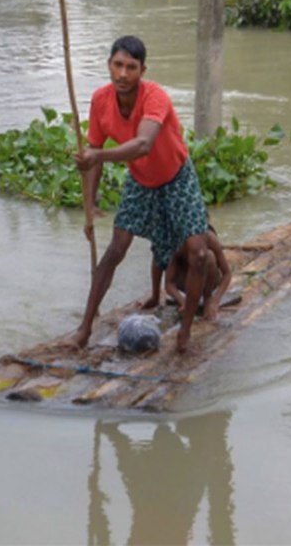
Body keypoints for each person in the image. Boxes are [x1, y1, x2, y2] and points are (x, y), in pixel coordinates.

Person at [73, 35, 212, 352]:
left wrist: (99, 157)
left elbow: (142, 144)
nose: (123, 74)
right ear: (109, 65)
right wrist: (90, 201)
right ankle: (83, 330)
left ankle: (185, 334)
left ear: (142, 70)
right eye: (118, 65)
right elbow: (94, 148)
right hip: (141, 179)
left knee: (200, 253)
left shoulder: (155, 96)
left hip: (177, 176)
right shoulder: (100, 100)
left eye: (131, 68)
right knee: (114, 251)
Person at [141, 224, 232, 319]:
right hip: (186, 281)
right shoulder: (176, 243)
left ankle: (207, 300)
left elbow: (227, 274)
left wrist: (215, 301)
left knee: (209, 256)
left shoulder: (209, 237)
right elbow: (169, 284)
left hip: (209, 281)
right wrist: (183, 302)